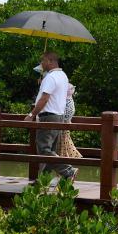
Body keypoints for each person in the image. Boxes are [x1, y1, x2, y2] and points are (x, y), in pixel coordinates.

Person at [24, 52, 79, 183]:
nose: (41, 63)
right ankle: (43, 180)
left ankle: (68, 170)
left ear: (50, 61)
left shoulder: (51, 77)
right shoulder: (63, 76)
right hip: (58, 117)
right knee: (50, 150)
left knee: (44, 149)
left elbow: (45, 98)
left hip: (48, 117)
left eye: (42, 60)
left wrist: (32, 114)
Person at [56, 84, 82, 159]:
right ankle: (66, 158)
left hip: (63, 121)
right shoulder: (66, 97)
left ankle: (65, 158)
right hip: (64, 121)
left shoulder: (65, 97)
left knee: (63, 138)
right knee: (63, 139)